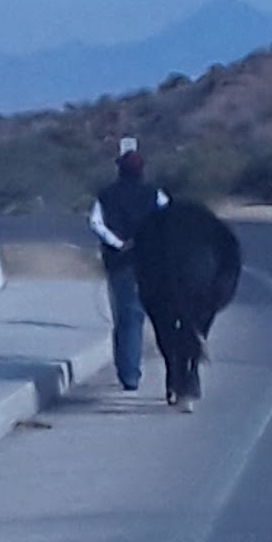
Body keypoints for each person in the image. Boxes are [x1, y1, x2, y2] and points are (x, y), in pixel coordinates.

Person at [89, 137, 169, 391]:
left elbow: (95, 223)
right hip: (150, 262)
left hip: (119, 263)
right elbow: (169, 217)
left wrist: (117, 243)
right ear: (142, 170)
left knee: (127, 317)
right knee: (150, 316)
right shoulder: (154, 194)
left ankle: (128, 373)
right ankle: (151, 371)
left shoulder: (106, 195)